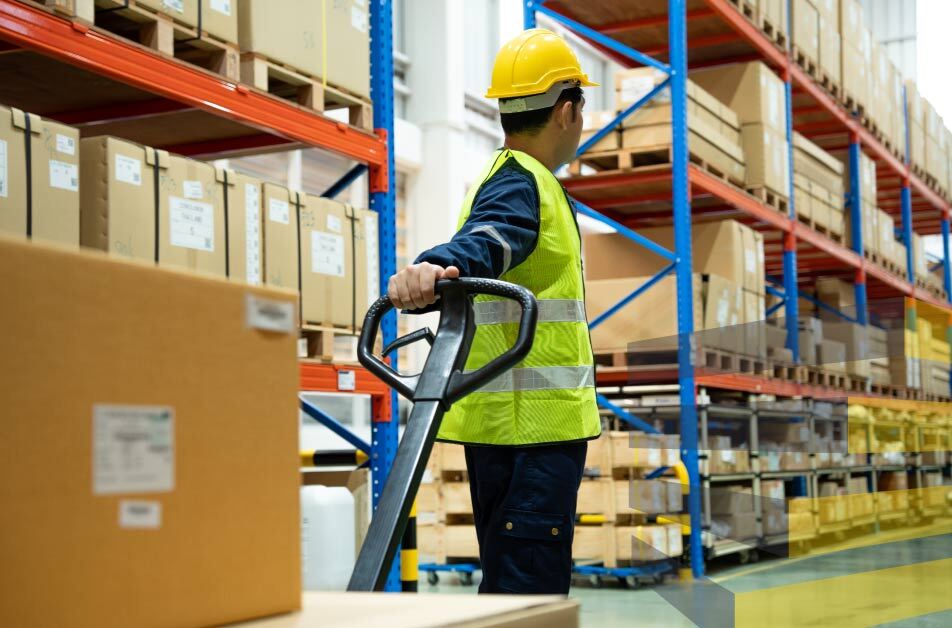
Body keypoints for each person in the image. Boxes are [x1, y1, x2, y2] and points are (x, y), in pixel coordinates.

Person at [388, 28, 602, 594]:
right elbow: (489, 238)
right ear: (566, 110)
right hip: (531, 432)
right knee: (525, 591)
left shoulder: (513, 178)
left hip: (511, 427)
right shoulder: (522, 183)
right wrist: (436, 266)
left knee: (512, 582)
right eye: (581, 106)